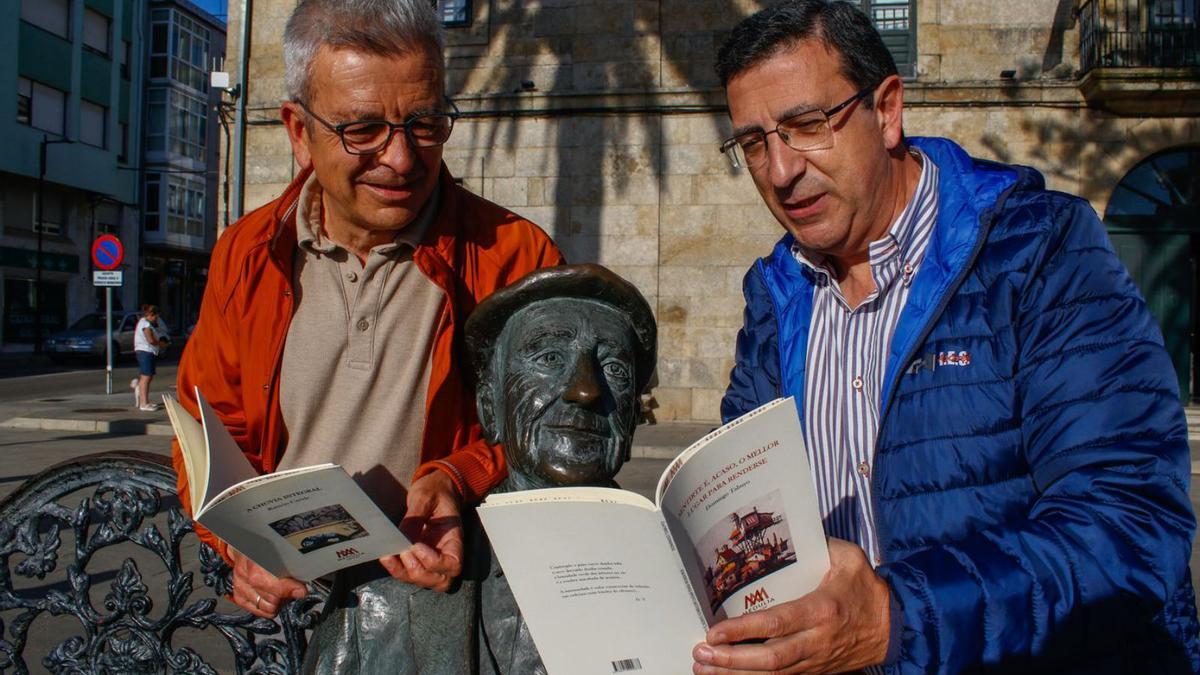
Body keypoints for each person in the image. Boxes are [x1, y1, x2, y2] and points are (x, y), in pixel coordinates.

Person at [697, 2, 1200, 673]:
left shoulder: (1038, 251)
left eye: (807, 125)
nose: (781, 170)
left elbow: (1131, 527)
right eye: (755, 142)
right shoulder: (774, 295)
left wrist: (895, 616)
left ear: (887, 110)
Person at [171, 0, 563, 630]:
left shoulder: (515, 256)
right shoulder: (245, 254)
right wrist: (239, 544)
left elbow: (552, 428)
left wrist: (456, 479)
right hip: (289, 614)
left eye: (425, 123)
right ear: (299, 132)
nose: (402, 160)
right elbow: (210, 430)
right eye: (362, 130)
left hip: (444, 608)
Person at [301, 264, 657, 674]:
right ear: (490, 405)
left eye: (614, 369)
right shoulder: (378, 590)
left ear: (631, 419)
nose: (586, 389)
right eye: (550, 357)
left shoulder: (690, 573)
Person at [131, 304, 168, 412]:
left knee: (147, 376)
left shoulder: (144, 322)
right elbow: (150, 340)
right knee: (146, 377)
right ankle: (144, 403)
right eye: (156, 316)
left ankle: (143, 399)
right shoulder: (146, 324)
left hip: (145, 351)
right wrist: (161, 344)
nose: (157, 318)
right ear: (151, 315)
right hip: (145, 351)